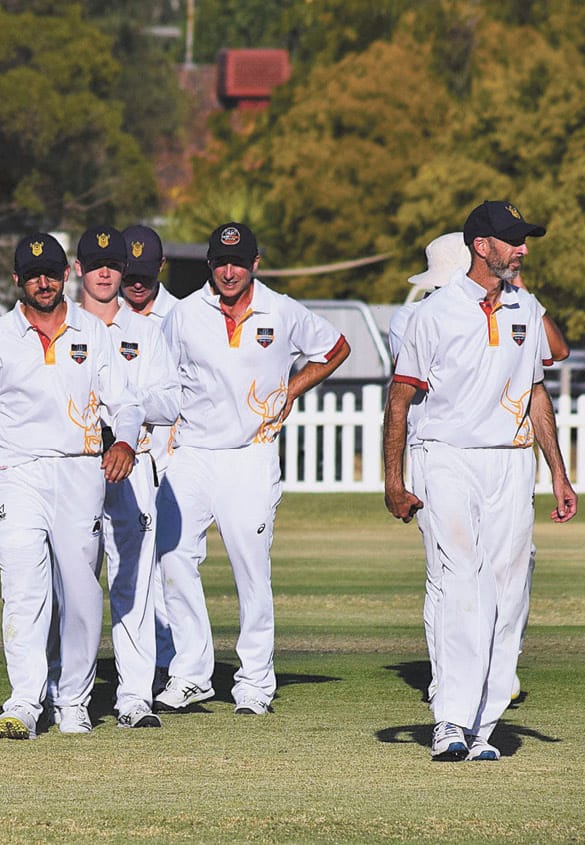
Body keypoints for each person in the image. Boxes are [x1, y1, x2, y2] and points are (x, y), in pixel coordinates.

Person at [383, 200, 577, 763]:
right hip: (445, 456)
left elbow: (535, 392)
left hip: (511, 463)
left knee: (510, 592)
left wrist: (559, 474)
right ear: (481, 246)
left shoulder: (526, 307)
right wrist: (394, 482)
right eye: (512, 240)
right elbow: (400, 399)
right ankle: (449, 720)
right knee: (461, 583)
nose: (522, 249)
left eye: (524, 239)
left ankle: (483, 728)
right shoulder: (433, 313)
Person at [153, 222, 350, 716]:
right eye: (221, 262)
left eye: (238, 262)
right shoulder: (184, 314)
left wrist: (291, 389)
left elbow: (335, 348)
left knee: (251, 569)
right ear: (209, 264)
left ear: (255, 264)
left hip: (252, 453)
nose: (229, 271)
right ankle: (191, 674)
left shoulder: (280, 310)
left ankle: (255, 682)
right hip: (192, 452)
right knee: (173, 558)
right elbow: (160, 378)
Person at [0, 232, 143, 738]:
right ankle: (24, 701)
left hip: (79, 468)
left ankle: (74, 701)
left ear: (66, 275)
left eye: (51, 273)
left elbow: (125, 403)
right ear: (16, 280)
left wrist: (125, 442)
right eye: (32, 275)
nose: (42, 283)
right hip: (16, 472)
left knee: (81, 590)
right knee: (22, 588)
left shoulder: (93, 331)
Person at [71, 224, 180, 728]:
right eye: (95, 266)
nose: (104, 274)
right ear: (79, 270)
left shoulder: (145, 331)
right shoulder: (64, 327)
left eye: (112, 266)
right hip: (73, 466)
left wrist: (126, 408)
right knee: (71, 580)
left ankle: (135, 696)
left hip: (132, 465)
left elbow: (170, 401)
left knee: (133, 582)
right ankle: (64, 691)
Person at [120, 223, 180, 687]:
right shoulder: (99, 318)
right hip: (121, 460)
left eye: (145, 273)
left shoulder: (182, 316)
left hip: (172, 458)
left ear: (161, 266)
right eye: (129, 273)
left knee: (170, 569)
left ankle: (170, 666)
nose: (137, 283)